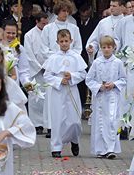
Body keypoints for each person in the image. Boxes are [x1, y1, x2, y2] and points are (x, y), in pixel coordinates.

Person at [43, 29, 86, 158]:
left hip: (72, 90)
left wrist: (72, 76)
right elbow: (47, 75)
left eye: (66, 41)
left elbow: (83, 74)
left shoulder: (76, 57)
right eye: (61, 41)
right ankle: (56, 147)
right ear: (57, 42)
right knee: (57, 119)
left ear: (71, 41)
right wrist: (59, 80)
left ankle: (74, 140)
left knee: (75, 120)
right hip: (58, 91)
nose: (64, 43)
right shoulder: (53, 58)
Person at [86, 35, 126, 158]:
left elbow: (123, 79)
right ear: (101, 48)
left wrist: (114, 84)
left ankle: (111, 148)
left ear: (114, 48)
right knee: (100, 122)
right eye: (104, 47)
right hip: (100, 97)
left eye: (109, 47)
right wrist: (99, 87)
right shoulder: (97, 62)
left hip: (113, 96)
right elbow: (89, 79)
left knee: (112, 121)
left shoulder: (118, 62)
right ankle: (100, 149)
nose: (106, 49)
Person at [23, 12, 50, 131]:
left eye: (46, 23)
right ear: (37, 22)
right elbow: (29, 54)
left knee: (48, 98)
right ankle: (36, 124)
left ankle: (48, 124)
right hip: (35, 70)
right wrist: (39, 66)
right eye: (42, 23)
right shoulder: (29, 35)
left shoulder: (49, 32)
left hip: (48, 69)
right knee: (35, 97)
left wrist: (49, 65)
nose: (45, 25)